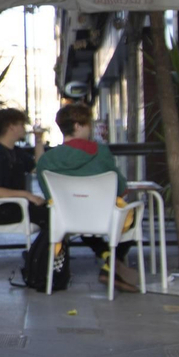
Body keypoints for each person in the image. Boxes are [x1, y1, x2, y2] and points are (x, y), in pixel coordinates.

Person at [37, 102, 135, 292]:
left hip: (66, 217)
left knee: (82, 220)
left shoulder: (46, 161)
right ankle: (110, 264)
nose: (91, 129)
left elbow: (48, 196)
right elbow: (121, 189)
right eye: (88, 124)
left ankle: (106, 255)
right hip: (102, 217)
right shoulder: (101, 152)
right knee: (133, 215)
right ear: (78, 126)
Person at [0, 107, 47, 229]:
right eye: (21, 124)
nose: (24, 128)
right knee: (51, 217)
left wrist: (38, 140)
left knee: (55, 213)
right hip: (0, 209)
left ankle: (45, 242)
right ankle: (44, 243)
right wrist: (26, 195)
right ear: (11, 127)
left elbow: (37, 168)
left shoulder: (16, 152)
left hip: (17, 205)